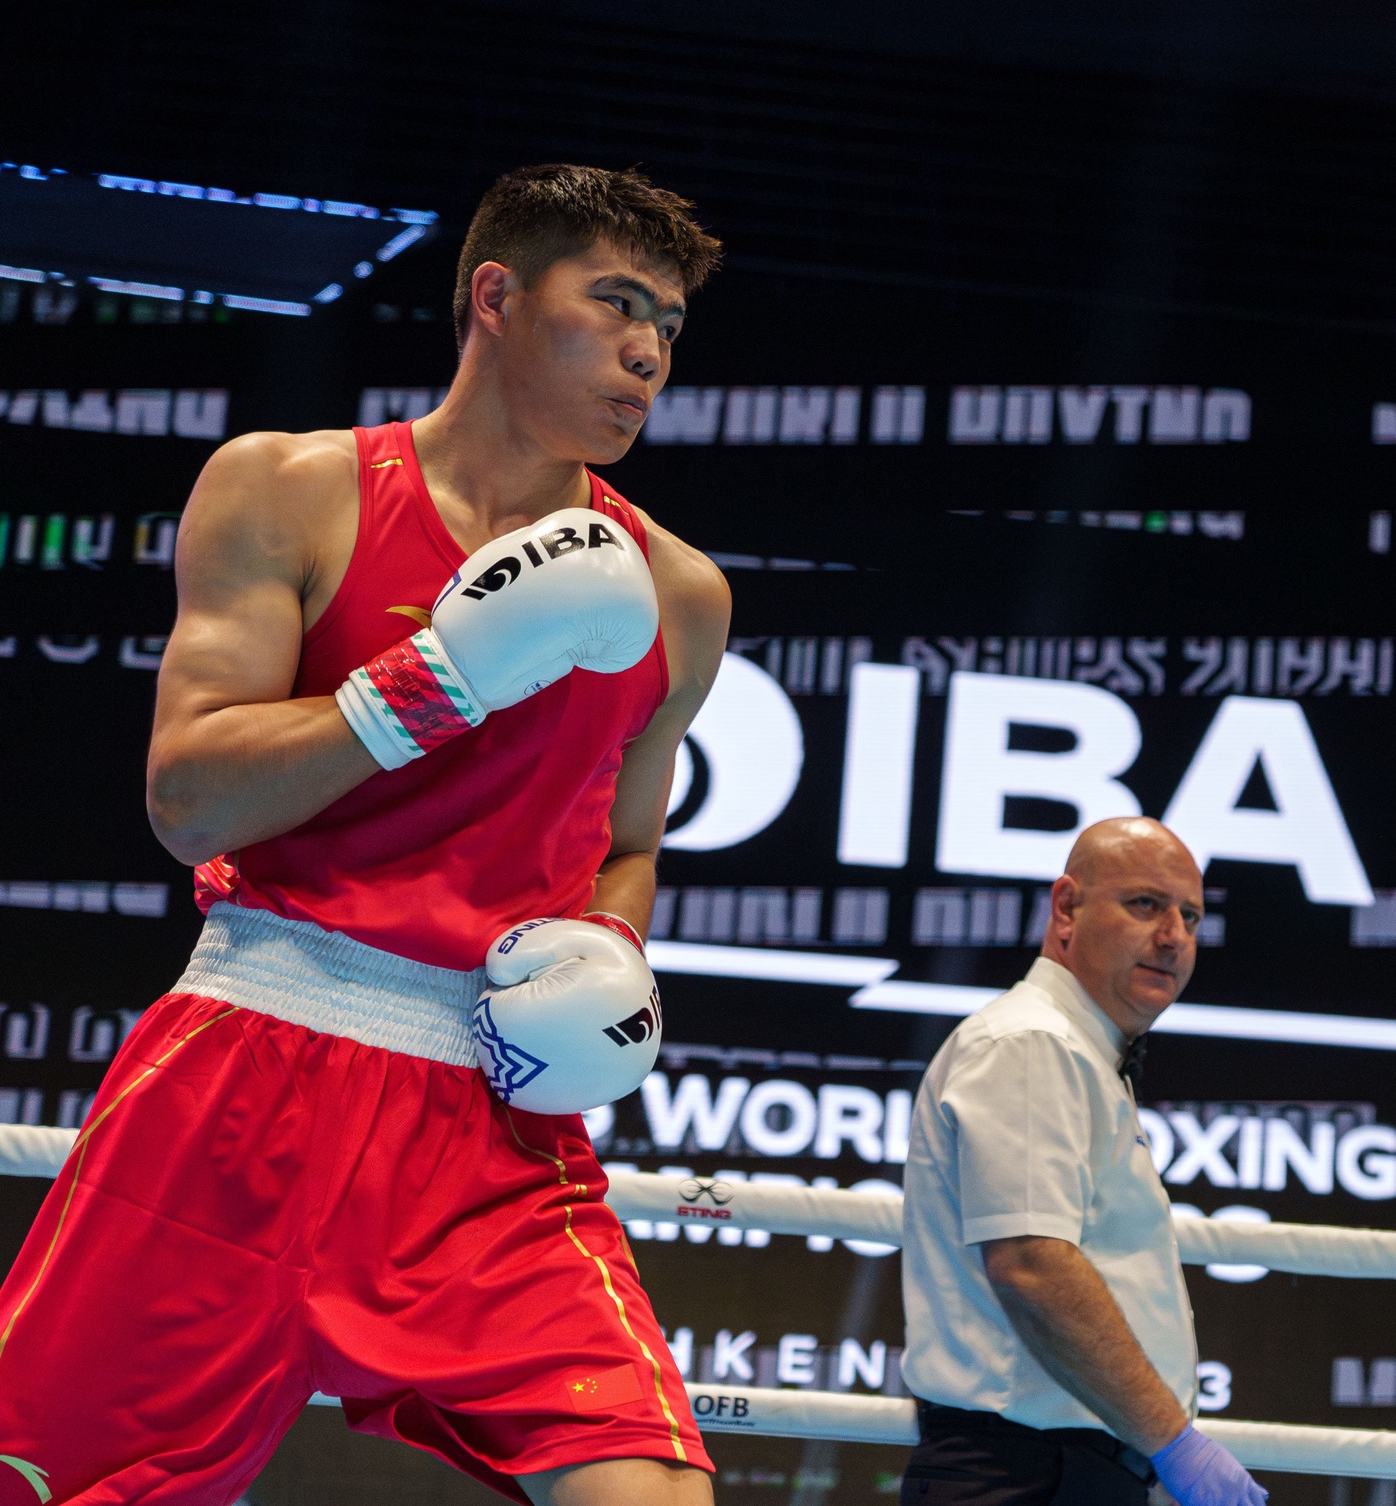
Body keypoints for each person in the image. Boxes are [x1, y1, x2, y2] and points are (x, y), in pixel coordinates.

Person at [0, 166, 733, 1504]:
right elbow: (188, 802)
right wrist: (437, 680)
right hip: (245, 1067)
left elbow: (630, 835)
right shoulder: (292, 491)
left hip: (488, 1121)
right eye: (617, 302)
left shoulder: (679, 593)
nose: (649, 350)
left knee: (652, 1491)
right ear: (497, 298)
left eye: (671, 325)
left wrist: (611, 939)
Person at [899, 817, 1267, 1506]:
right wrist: (1175, 1442)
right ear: (1066, 908)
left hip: (1059, 1470)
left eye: (1190, 915)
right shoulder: (1034, 1042)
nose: (1174, 937)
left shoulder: (1082, 1052)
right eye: (1146, 904)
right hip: (1025, 1475)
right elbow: (1034, 1263)